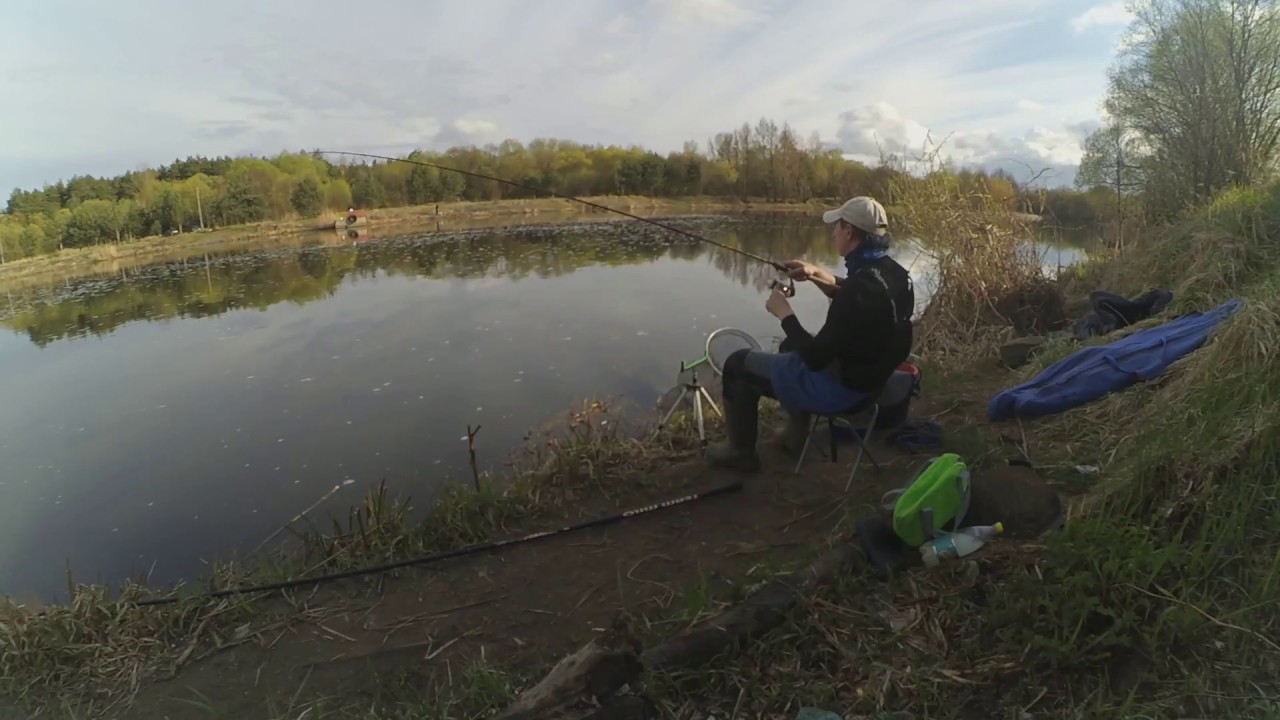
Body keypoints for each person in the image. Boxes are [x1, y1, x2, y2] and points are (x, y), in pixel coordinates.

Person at [706, 196, 915, 472]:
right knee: (787, 349)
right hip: (871, 384)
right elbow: (858, 295)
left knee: (737, 365)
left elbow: (815, 358)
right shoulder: (897, 275)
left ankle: (740, 453)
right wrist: (816, 273)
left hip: (843, 390)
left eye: (837, 228)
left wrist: (784, 313)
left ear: (849, 232)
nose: (833, 233)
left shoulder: (859, 291)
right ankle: (794, 439)